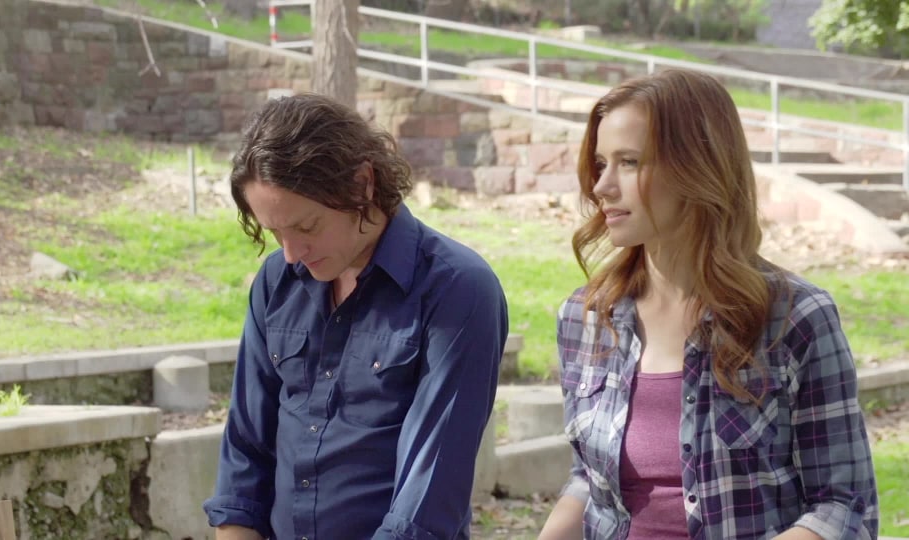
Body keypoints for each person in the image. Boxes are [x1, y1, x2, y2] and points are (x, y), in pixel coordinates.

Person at [538, 69, 878, 540]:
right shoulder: (586, 317)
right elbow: (590, 482)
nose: (602, 186)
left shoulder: (796, 318)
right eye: (600, 164)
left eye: (629, 162)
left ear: (697, 167)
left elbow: (843, 508)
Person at [203, 93, 509, 540]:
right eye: (275, 232)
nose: (291, 253)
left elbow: (427, 500)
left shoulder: (457, 290)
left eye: (306, 227)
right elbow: (244, 455)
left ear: (362, 184)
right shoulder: (277, 280)